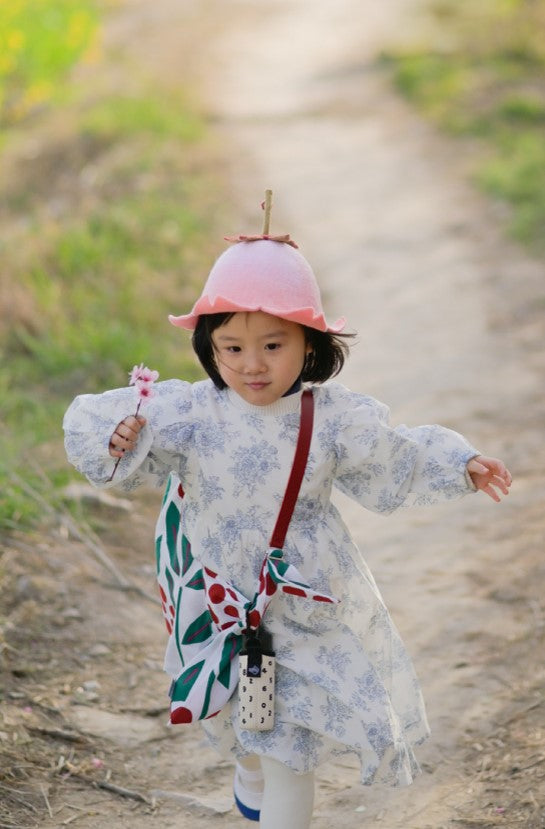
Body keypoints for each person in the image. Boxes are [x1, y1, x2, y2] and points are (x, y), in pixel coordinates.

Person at [63, 207, 511, 829]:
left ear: (311, 345)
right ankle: (247, 762)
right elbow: (106, 436)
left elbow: (394, 455)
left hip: (302, 601)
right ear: (208, 346)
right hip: (215, 600)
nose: (253, 364)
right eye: (232, 347)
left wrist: (460, 464)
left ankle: (271, 778)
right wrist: (119, 435)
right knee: (244, 725)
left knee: (291, 748)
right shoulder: (191, 413)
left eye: (274, 345)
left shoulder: (330, 419)